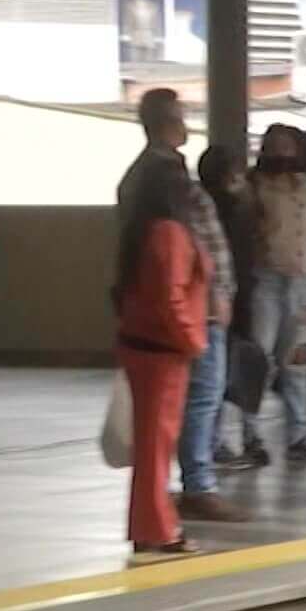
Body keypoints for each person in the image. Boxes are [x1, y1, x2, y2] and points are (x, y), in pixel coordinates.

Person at [114, 160, 210, 562]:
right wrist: (192, 341)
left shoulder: (142, 231)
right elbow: (171, 297)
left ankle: (149, 525)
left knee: (153, 444)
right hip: (163, 351)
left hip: (144, 344)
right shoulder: (170, 233)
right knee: (157, 445)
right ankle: (158, 529)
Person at [237, 124, 306, 468]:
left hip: (302, 279)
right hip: (267, 278)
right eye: (275, 147)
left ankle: (298, 435)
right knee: (260, 361)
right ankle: (250, 434)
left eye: (288, 146)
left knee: (299, 361)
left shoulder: (305, 185)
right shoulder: (252, 186)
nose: (282, 154)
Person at [173, 147, 249, 522]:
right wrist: (219, 293)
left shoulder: (162, 192)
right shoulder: (189, 197)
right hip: (204, 309)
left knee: (203, 395)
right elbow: (209, 252)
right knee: (204, 394)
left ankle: (197, 477)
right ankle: (198, 484)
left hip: (201, 306)